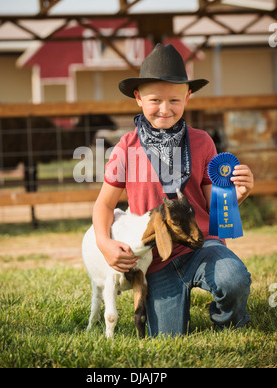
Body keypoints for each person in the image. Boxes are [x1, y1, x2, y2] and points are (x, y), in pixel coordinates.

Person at [92, 43, 253, 336]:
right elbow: (104, 204)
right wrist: (104, 243)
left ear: (188, 96)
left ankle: (228, 321)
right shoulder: (126, 147)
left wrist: (237, 196)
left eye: (174, 100)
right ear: (138, 98)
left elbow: (213, 206)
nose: (165, 109)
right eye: (155, 100)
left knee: (233, 278)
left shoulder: (203, 141)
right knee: (167, 338)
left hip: (202, 244)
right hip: (154, 259)